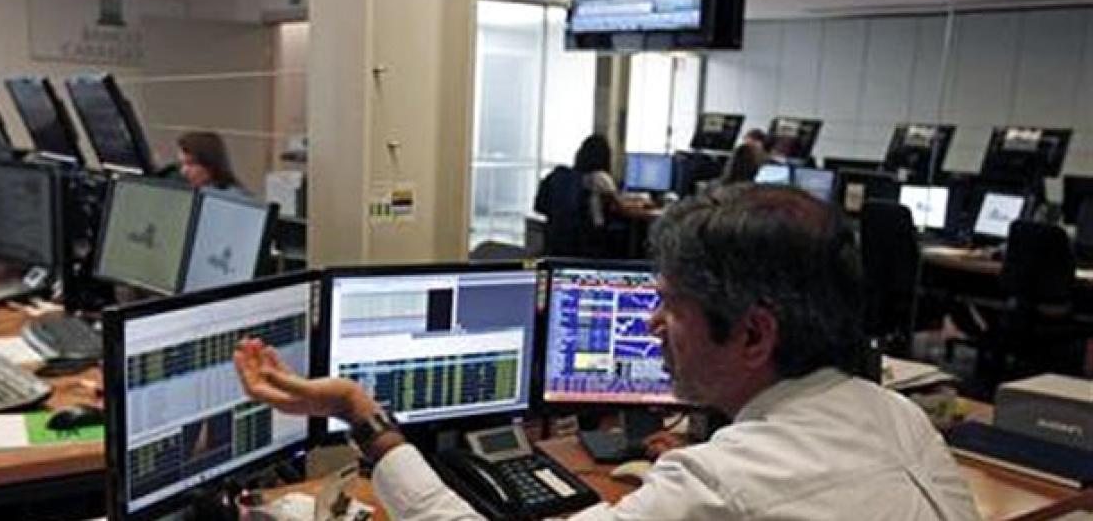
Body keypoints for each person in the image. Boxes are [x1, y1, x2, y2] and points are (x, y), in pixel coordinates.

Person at [234, 184, 979, 520]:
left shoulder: (717, 484)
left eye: (671, 307)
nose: (651, 325)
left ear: (754, 335)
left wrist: (362, 415)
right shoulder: (900, 419)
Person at [177, 131, 246, 193]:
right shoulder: (194, 191)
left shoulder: (230, 198)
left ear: (210, 164)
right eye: (182, 164)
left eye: (191, 164)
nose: (183, 171)